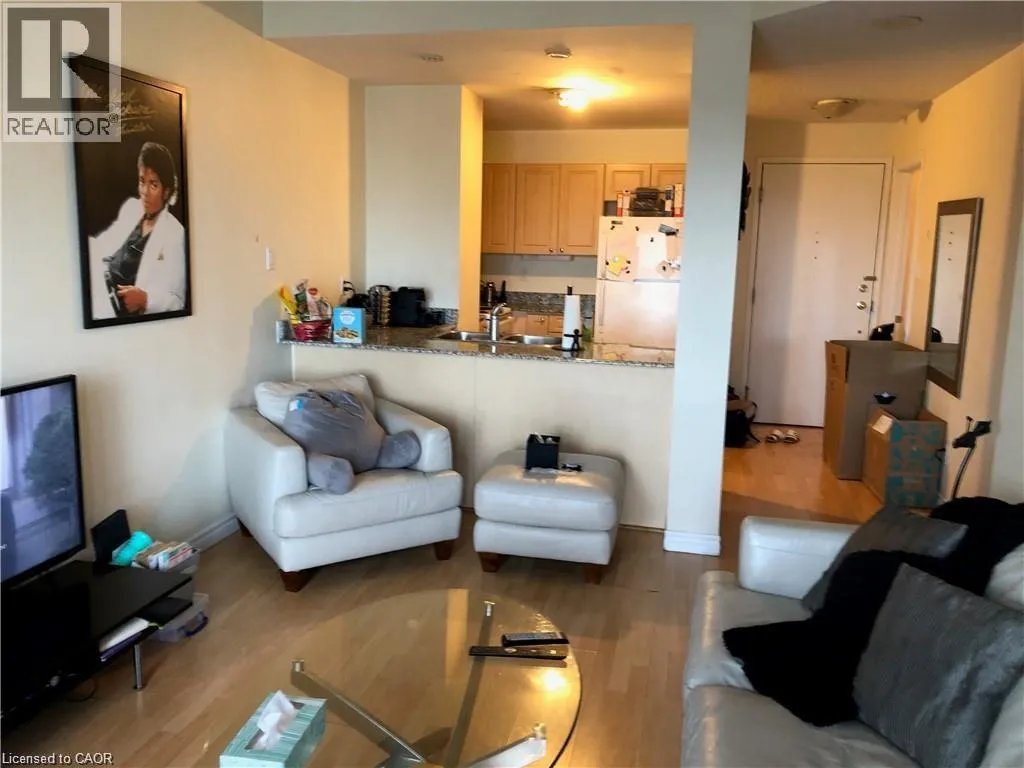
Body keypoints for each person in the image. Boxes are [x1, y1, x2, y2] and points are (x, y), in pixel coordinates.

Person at [88, 142, 186, 319]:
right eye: (142, 181)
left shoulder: (175, 234)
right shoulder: (132, 207)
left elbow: (178, 301)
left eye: (153, 185)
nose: (145, 192)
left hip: (121, 315)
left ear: (166, 191)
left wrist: (145, 300)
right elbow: (104, 244)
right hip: (100, 290)